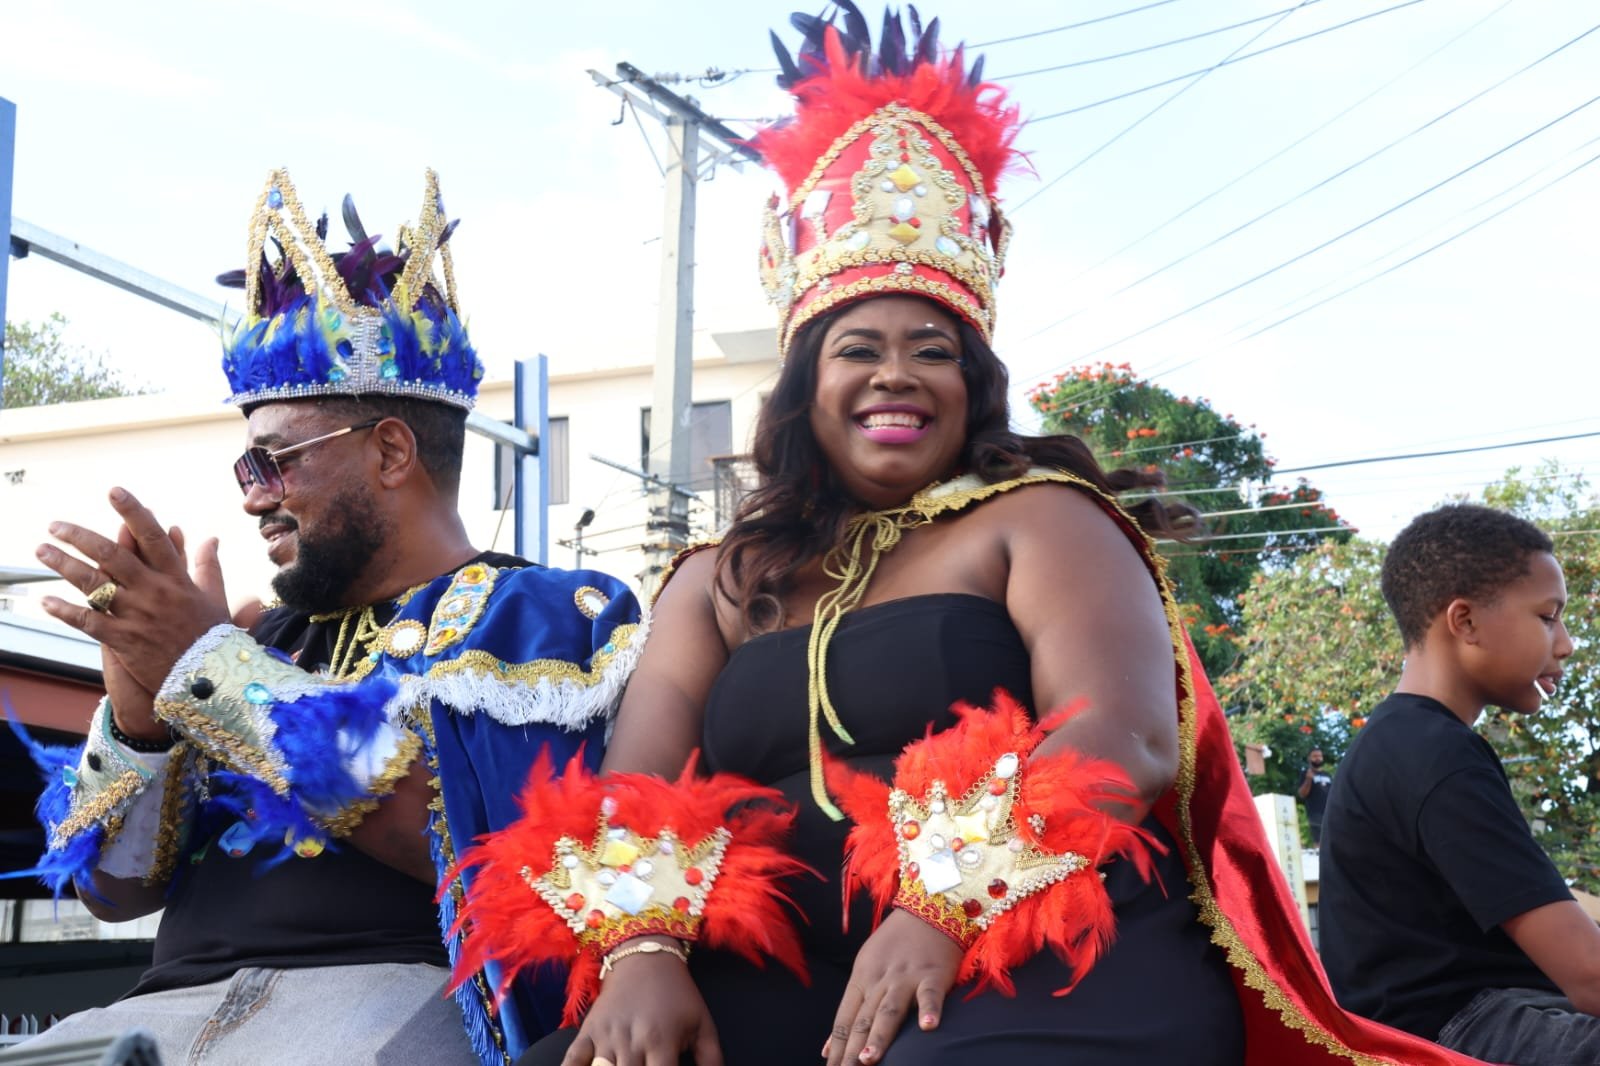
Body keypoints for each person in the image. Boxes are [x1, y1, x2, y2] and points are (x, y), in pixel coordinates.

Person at [456, 9, 1486, 1066]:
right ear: (805, 389)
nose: (894, 371)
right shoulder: (716, 581)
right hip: (796, 977)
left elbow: (1125, 742)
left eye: (931, 349)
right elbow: (636, 794)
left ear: (971, 381)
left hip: (1058, 949)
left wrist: (937, 907)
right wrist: (640, 958)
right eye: (857, 347)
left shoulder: (1040, 519)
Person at [11, 169, 642, 1066]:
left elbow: (478, 844)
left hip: (393, 1002)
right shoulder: (256, 638)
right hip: (162, 1014)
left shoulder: (547, 617)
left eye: (274, 463)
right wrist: (142, 709)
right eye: (245, 472)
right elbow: (113, 890)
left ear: (390, 450)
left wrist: (206, 668)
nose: (254, 501)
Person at [1320, 504, 1600, 1063]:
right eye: (1548, 617)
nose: (1566, 643)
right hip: (1457, 1030)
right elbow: (1589, 974)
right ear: (1465, 621)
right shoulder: (1435, 755)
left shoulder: (1404, 742)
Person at [1298, 747, 1333, 847]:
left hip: (1330, 812)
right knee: (1320, 841)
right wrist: (1308, 779)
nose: (1318, 758)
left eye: (1320, 756)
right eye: (1315, 756)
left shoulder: (1327, 775)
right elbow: (1302, 794)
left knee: (1332, 838)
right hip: (1315, 813)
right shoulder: (1305, 773)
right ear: (1309, 758)